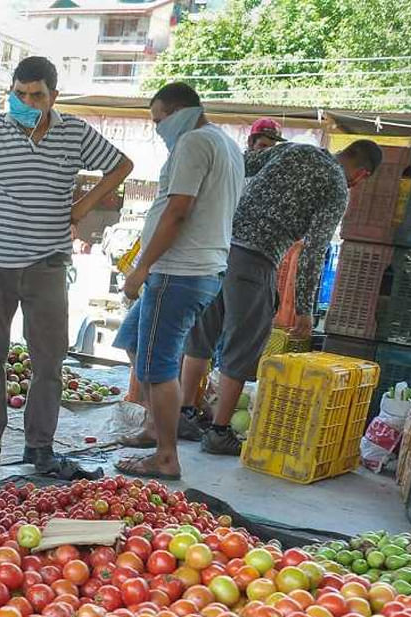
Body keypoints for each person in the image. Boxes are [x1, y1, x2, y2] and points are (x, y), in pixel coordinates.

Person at [0, 57, 133, 475]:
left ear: (53, 96)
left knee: (49, 359)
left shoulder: (73, 132)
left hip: (49, 261)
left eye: (36, 95)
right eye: (19, 94)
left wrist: (84, 205)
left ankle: (40, 446)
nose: (26, 101)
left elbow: (121, 165)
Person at [179, 139, 384, 455]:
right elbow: (314, 251)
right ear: (361, 174)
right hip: (255, 261)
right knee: (244, 344)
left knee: (202, 334)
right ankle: (219, 432)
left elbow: (239, 164)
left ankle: (183, 415)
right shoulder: (336, 188)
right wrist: (304, 308)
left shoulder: (294, 149)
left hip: (219, 248)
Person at [111, 83, 244, 481]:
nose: (157, 130)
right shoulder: (225, 144)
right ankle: (156, 426)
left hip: (178, 272)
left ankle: (166, 455)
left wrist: (142, 268)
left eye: (158, 120)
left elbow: (178, 211)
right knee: (135, 341)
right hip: (195, 271)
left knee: (158, 366)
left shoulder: (193, 143)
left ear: (179, 112)